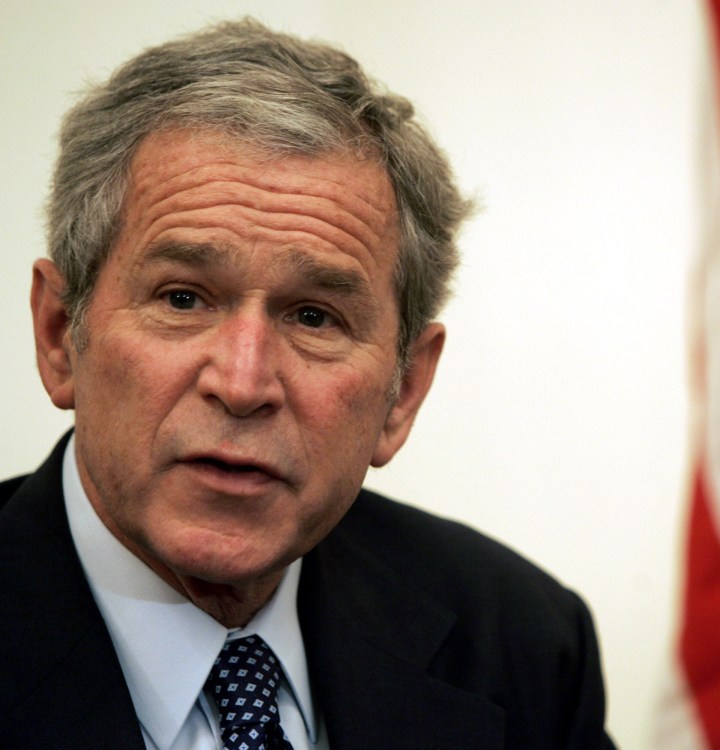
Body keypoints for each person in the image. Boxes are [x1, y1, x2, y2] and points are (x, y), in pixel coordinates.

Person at [0, 18, 615, 750]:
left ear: (404, 389)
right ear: (59, 335)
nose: (243, 381)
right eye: (183, 298)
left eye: (315, 317)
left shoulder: (520, 640)